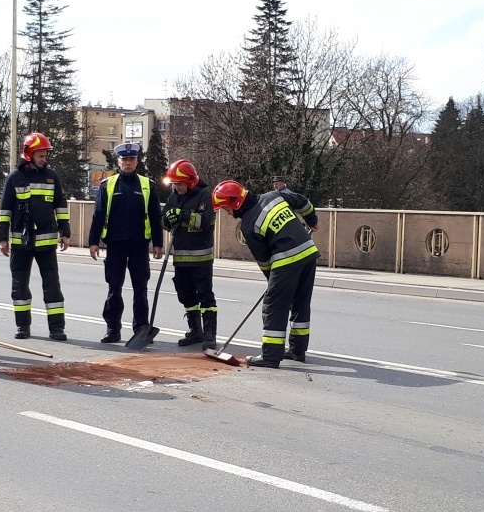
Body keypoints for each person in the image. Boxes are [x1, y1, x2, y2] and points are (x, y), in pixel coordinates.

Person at [212, 179, 319, 368]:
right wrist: (312, 220)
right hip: (309, 253)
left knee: (273, 305)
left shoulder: (249, 225)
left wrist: (274, 284)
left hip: (287, 259)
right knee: (300, 302)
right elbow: (303, 202)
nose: (227, 213)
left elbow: (264, 261)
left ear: (235, 202)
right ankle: (297, 350)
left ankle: (271, 356)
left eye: (226, 208)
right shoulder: (274, 196)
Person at [0, 132, 71, 341]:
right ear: (29, 155)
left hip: (47, 242)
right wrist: (3, 238)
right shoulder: (14, 178)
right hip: (21, 242)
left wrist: (65, 232)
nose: (44, 159)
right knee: (19, 286)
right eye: (40, 155)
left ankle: (56, 328)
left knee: (52, 286)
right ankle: (23, 327)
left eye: (45, 155)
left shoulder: (52, 176)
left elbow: (60, 205)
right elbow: (5, 210)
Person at [88, 142, 163, 343]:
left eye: (131, 159)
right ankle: (113, 329)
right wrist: (93, 242)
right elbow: (98, 215)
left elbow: (156, 217)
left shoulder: (148, 185)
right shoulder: (108, 185)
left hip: (139, 244)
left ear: (137, 161)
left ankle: (141, 329)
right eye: (124, 159)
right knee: (115, 289)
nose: (128, 163)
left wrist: (158, 243)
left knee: (141, 289)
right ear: (119, 161)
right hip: (115, 244)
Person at [161, 159, 217, 350]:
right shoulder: (174, 197)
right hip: (181, 257)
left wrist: (183, 215)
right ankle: (195, 331)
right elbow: (165, 220)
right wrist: (168, 219)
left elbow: (205, 221)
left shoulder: (204, 195)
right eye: (174, 184)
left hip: (201, 257)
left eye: (180, 184)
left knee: (205, 296)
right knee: (185, 295)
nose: (177, 187)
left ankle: (210, 335)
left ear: (190, 182)